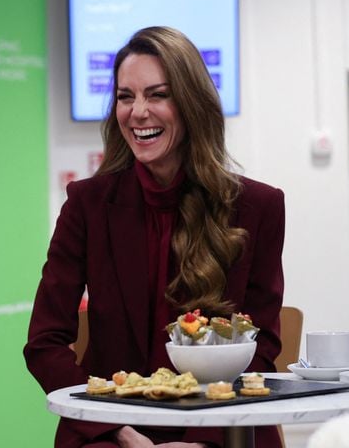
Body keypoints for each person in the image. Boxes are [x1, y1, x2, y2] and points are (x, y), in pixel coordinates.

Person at [24, 27, 285, 448]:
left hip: (223, 425)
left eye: (157, 95)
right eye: (125, 97)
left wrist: (202, 441)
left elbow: (263, 347)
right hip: (110, 428)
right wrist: (116, 428)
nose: (138, 112)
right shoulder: (87, 205)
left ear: (192, 103)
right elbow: (44, 343)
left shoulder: (259, 207)